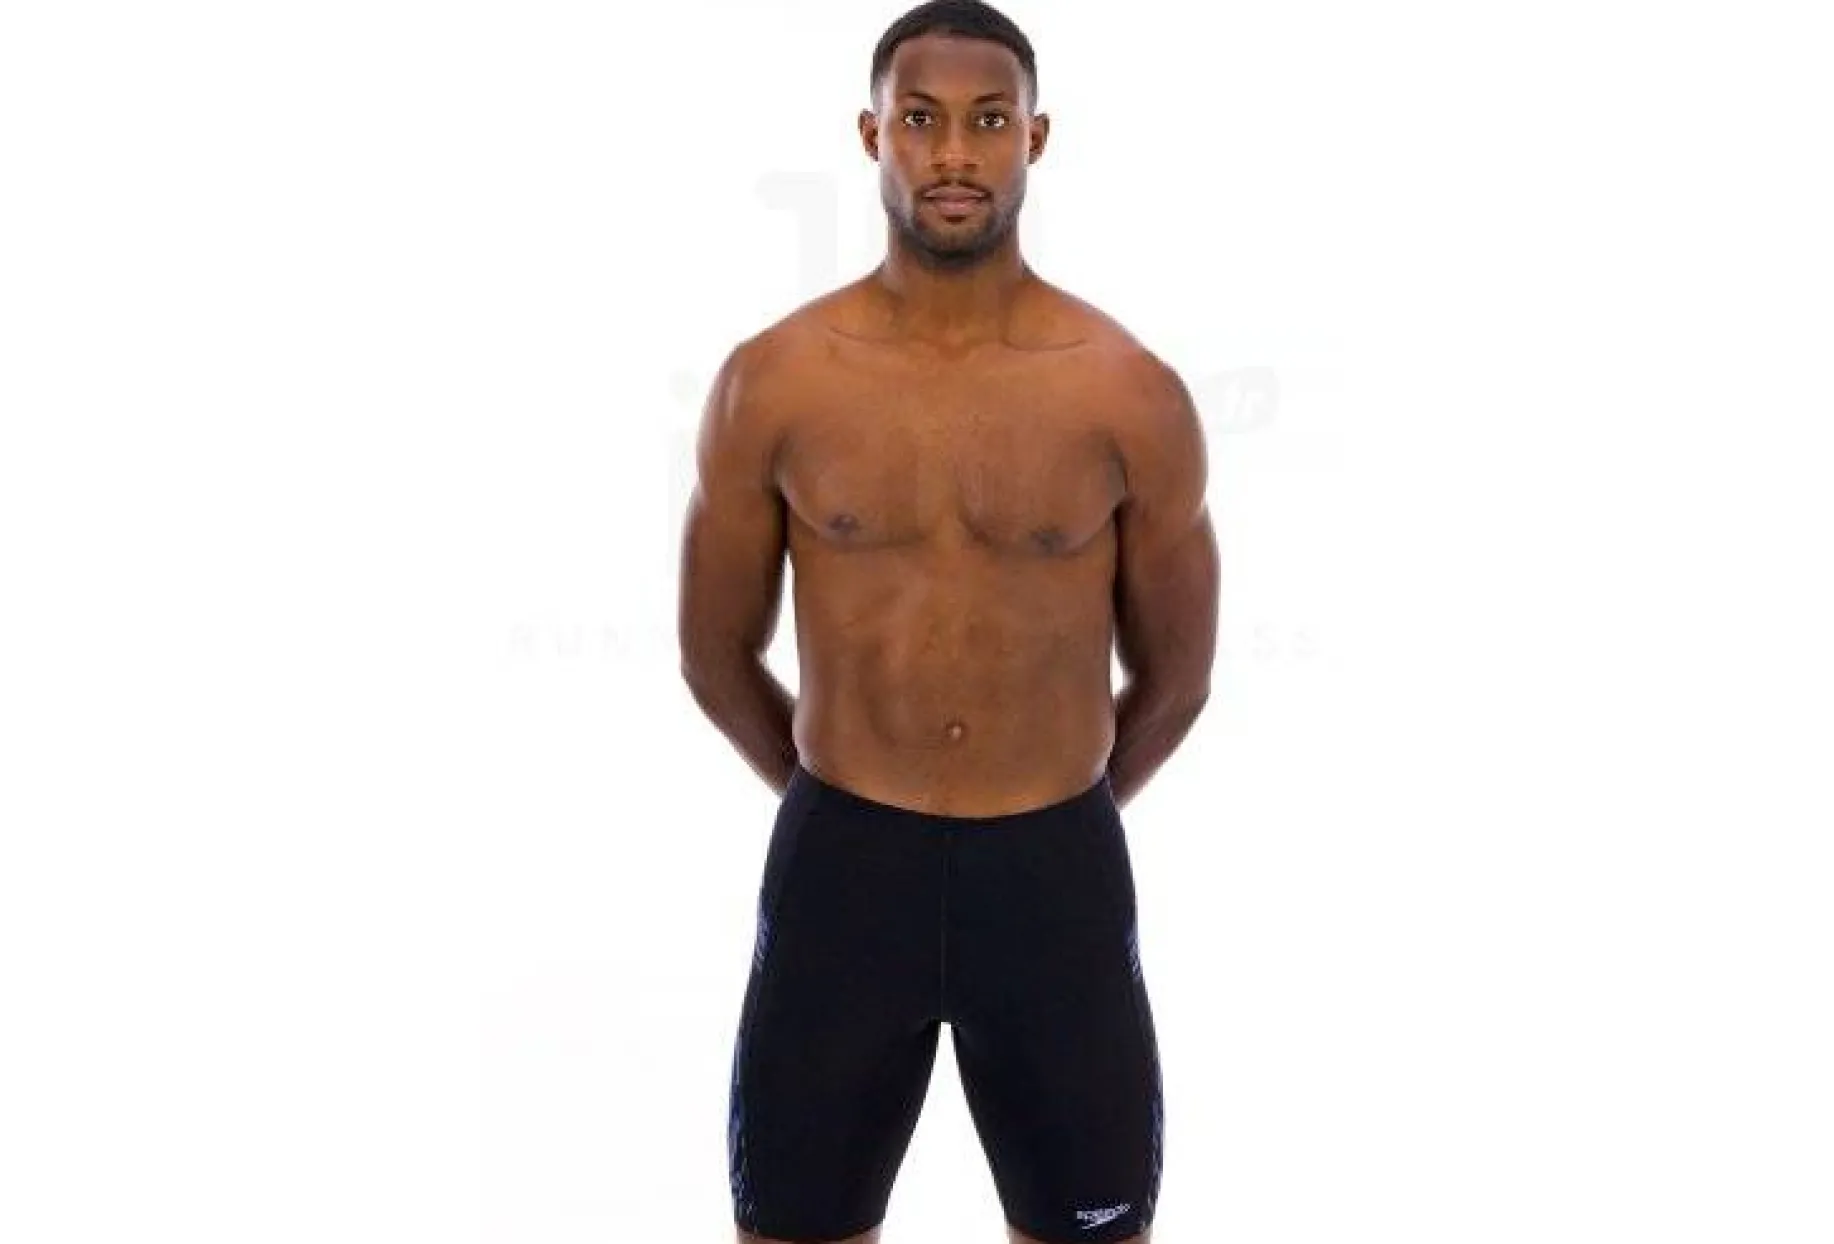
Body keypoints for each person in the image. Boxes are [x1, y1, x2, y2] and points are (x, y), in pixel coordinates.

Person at [677, 2, 1219, 1240]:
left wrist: (1059, 812)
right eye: (921, 119)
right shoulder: (775, 379)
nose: (955, 153)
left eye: (988, 120)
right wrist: (843, 803)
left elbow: (1179, 672)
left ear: (1037, 136)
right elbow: (713, 651)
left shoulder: (1126, 392)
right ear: (873, 133)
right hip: (841, 869)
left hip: (1053, 873)